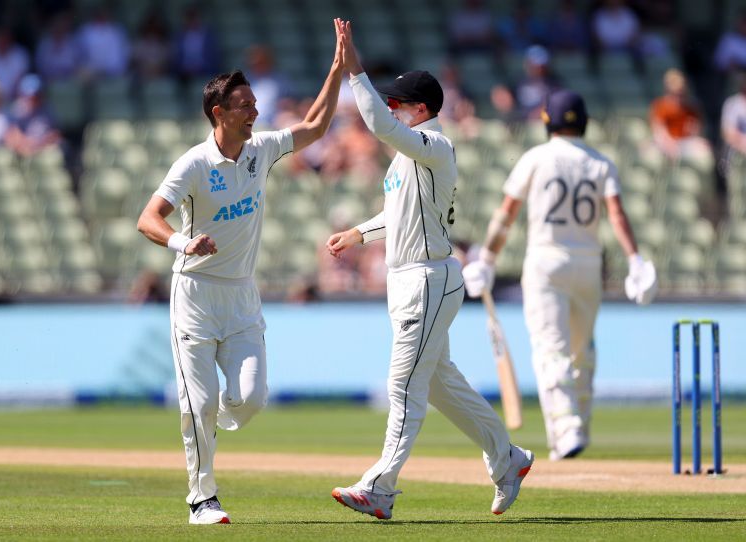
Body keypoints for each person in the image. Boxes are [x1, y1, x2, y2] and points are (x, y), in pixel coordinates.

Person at [136, 19, 346, 525]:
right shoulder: (192, 164)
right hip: (195, 295)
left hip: (242, 298)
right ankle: (201, 499)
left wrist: (337, 68)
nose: (255, 112)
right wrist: (185, 242)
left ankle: (212, 414)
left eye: (254, 104)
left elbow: (316, 126)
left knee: (248, 401)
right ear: (219, 113)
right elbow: (147, 219)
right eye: (245, 106)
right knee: (198, 405)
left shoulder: (261, 150)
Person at [325, 20, 534, 520]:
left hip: (428, 279)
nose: (392, 107)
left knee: (403, 386)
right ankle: (508, 458)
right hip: (410, 279)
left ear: (422, 109)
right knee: (441, 384)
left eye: (399, 102)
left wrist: (356, 73)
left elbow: (378, 124)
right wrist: (359, 233)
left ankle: (380, 486)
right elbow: (399, 214)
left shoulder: (434, 146)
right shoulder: (407, 161)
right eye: (390, 100)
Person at [461, 89, 657, 461]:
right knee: (582, 350)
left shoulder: (536, 157)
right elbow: (616, 214)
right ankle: (573, 428)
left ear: (547, 121)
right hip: (588, 265)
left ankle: (566, 428)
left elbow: (506, 214)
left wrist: (486, 258)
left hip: (545, 262)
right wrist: (635, 260)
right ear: (584, 122)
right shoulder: (600, 162)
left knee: (551, 346)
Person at [648, 68, 711, 163]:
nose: (678, 97)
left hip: (683, 143)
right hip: (665, 144)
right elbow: (659, 131)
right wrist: (669, 143)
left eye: (680, 93)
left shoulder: (691, 107)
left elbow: (695, 131)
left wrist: (693, 130)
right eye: (674, 93)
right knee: (650, 153)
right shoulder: (660, 106)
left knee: (704, 147)